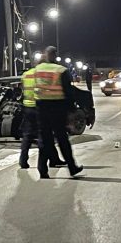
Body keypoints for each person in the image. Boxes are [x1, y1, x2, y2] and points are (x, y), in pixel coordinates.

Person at [34, 46, 83, 178]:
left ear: (45, 55)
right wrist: (72, 108)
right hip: (57, 107)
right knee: (62, 138)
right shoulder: (61, 70)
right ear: (55, 55)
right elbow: (68, 91)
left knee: (45, 138)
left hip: (41, 107)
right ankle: (72, 167)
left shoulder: (37, 69)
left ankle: (42, 169)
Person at [19, 65, 66, 169]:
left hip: (27, 107)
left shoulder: (25, 75)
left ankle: (23, 161)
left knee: (27, 135)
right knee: (45, 135)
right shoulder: (39, 74)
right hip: (39, 106)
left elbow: (22, 90)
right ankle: (50, 161)